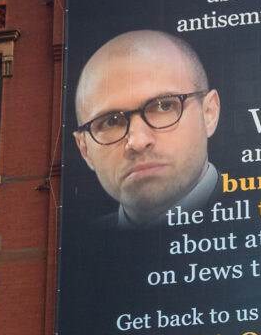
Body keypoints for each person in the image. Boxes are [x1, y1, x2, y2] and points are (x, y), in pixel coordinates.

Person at [71, 30, 222, 226]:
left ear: (209, 113)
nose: (138, 142)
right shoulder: (84, 247)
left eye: (164, 106)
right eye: (111, 122)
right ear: (84, 150)